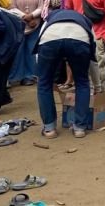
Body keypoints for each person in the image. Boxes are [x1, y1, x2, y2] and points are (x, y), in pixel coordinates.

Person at [36, 9, 95, 139]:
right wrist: (98, 85)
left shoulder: (48, 20)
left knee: (44, 83)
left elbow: (39, 45)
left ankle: (49, 129)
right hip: (80, 39)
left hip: (50, 39)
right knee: (82, 81)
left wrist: (42, 75)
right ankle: (80, 128)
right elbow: (92, 55)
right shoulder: (84, 20)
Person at [8, 0, 43, 86]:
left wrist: (32, 15)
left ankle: (30, 76)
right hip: (18, 26)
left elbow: (41, 7)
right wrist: (25, 17)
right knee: (18, 52)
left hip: (34, 25)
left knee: (31, 51)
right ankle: (17, 76)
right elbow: (11, 7)